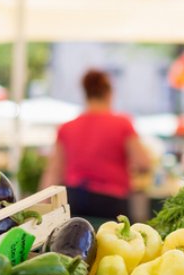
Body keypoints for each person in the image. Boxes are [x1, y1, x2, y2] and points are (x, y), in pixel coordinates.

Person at [40, 69, 151, 219]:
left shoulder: (67, 127)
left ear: (85, 93)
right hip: (111, 201)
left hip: (75, 199)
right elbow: (143, 162)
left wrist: (43, 208)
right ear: (109, 93)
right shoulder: (122, 124)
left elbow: (53, 171)